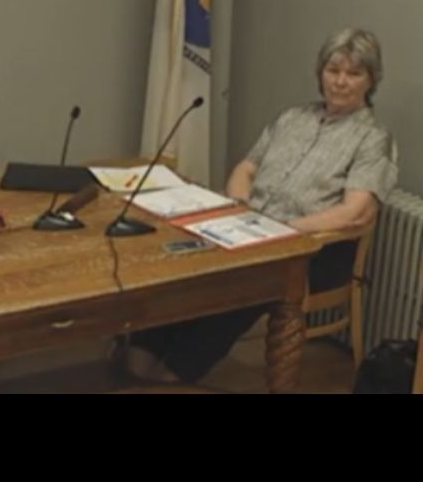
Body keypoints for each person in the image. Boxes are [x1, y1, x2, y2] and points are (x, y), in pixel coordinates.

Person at [125, 27, 399, 384]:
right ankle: (140, 357)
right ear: (320, 73)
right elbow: (246, 167)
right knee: (182, 265)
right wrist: (237, 207)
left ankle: (177, 372)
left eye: (353, 73)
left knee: (238, 287)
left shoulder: (372, 139)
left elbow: (355, 212)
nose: (341, 82)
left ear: (371, 80)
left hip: (311, 250)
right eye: (333, 71)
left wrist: (282, 231)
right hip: (248, 230)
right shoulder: (293, 117)